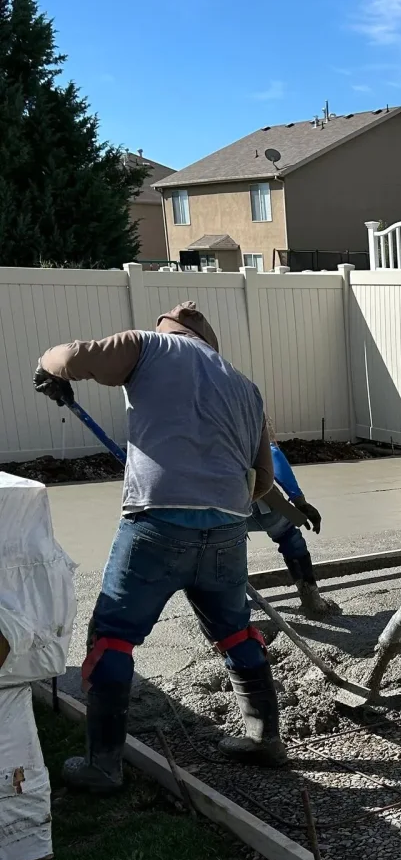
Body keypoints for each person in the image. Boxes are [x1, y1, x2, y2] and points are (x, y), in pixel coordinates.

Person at [34, 301, 290, 792]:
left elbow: (68, 358)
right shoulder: (245, 386)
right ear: (208, 342)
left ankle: (103, 766)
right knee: (236, 633)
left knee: (113, 638)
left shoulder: (147, 345)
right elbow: (260, 481)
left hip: (156, 525)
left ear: (169, 330)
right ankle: (265, 738)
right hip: (227, 530)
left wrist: (48, 368)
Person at [250, 439, 341, 617]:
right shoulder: (249, 420)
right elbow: (271, 453)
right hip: (257, 497)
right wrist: (299, 501)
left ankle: (233, 615)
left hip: (213, 505)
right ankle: (312, 602)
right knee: (289, 537)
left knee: (227, 551)